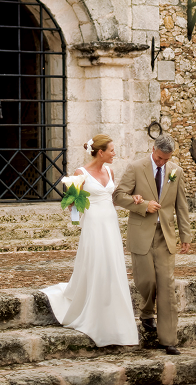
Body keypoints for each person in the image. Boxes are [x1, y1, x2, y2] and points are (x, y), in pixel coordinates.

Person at [41, 134, 139, 347]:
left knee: (113, 267)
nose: (115, 154)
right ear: (101, 152)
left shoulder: (110, 171)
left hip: (111, 224)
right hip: (93, 224)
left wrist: (135, 199)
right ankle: (93, 315)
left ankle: (115, 315)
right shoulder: (80, 173)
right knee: (96, 265)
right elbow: (72, 206)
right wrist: (73, 204)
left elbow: (112, 198)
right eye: (112, 150)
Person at [112, 133, 192, 356]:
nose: (162, 163)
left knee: (166, 285)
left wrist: (185, 235)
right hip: (141, 234)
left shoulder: (177, 171)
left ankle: (168, 340)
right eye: (159, 158)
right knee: (147, 281)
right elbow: (118, 196)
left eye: (166, 159)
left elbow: (181, 206)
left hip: (165, 236)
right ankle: (147, 311)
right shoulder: (136, 168)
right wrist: (143, 205)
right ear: (153, 149)